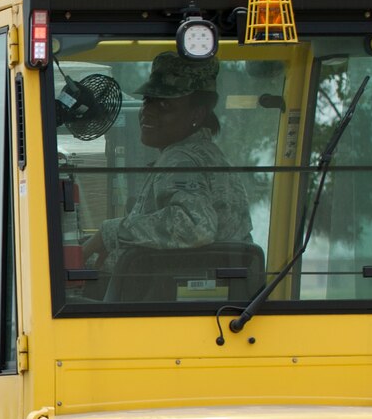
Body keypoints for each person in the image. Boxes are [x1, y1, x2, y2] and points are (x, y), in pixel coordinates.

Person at [83, 51, 253, 269]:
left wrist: (110, 232)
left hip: (173, 298)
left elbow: (195, 227)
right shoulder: (209, 155)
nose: (148, 112)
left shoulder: (181, 158)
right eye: (148, 100)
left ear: (197, 114)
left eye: (165, 105)